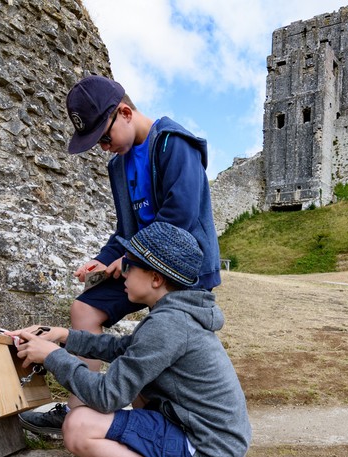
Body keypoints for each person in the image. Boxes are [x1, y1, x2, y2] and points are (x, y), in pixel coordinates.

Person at [6, 223, 250, 457]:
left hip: (208, 450)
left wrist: (52, 356)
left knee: (78, 427)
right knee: (136, 385)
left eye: (129, 264)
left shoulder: (169, 325)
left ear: (156, 278)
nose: (121, 273)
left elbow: (107, 396)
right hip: (212, 438)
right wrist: (63, 336)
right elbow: (123, 349)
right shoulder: (174, 314)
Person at [19, 74, 221, 437]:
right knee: (84, 308)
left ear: (125, 112)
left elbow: (179, 217)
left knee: (161, 350)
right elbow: (124, 230)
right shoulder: (119, 165)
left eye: (104, 137)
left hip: (184, 272)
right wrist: (105, 258)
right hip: (139, 264)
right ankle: (78, 409)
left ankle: (171, 434)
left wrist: (127, 259)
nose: (103, 148)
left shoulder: (174, 144)